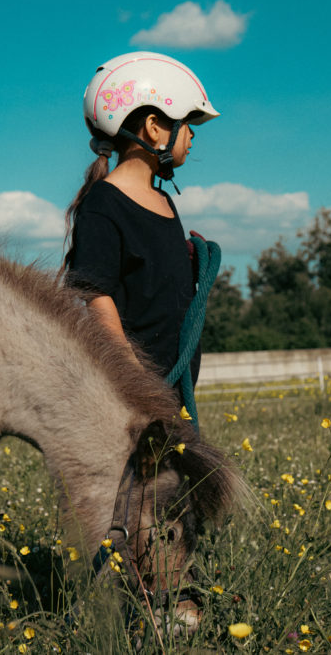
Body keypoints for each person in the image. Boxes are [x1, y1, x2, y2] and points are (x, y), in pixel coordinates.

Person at [63, 51, 219, 404]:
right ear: (153, 127)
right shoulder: (102, 205)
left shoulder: (164, 201)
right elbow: (97, 297)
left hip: (174, 391)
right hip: (135, 397)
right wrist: (134, 378)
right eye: (186, 123)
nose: (192, 135)